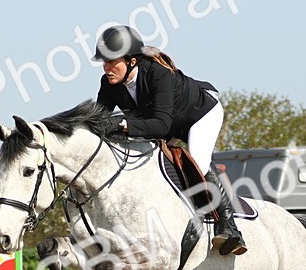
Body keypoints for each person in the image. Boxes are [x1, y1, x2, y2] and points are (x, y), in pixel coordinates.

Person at [92, 24, 246, 256]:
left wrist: (122, 124)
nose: (107, 68)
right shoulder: (109, 83)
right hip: (168, 121)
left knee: (200, 160)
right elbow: (99, 119)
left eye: (112, 62)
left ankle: (229, 226)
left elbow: (161, 126)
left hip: (200, 114)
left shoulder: (157, 73)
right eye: (104, 63)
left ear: (132, 61)